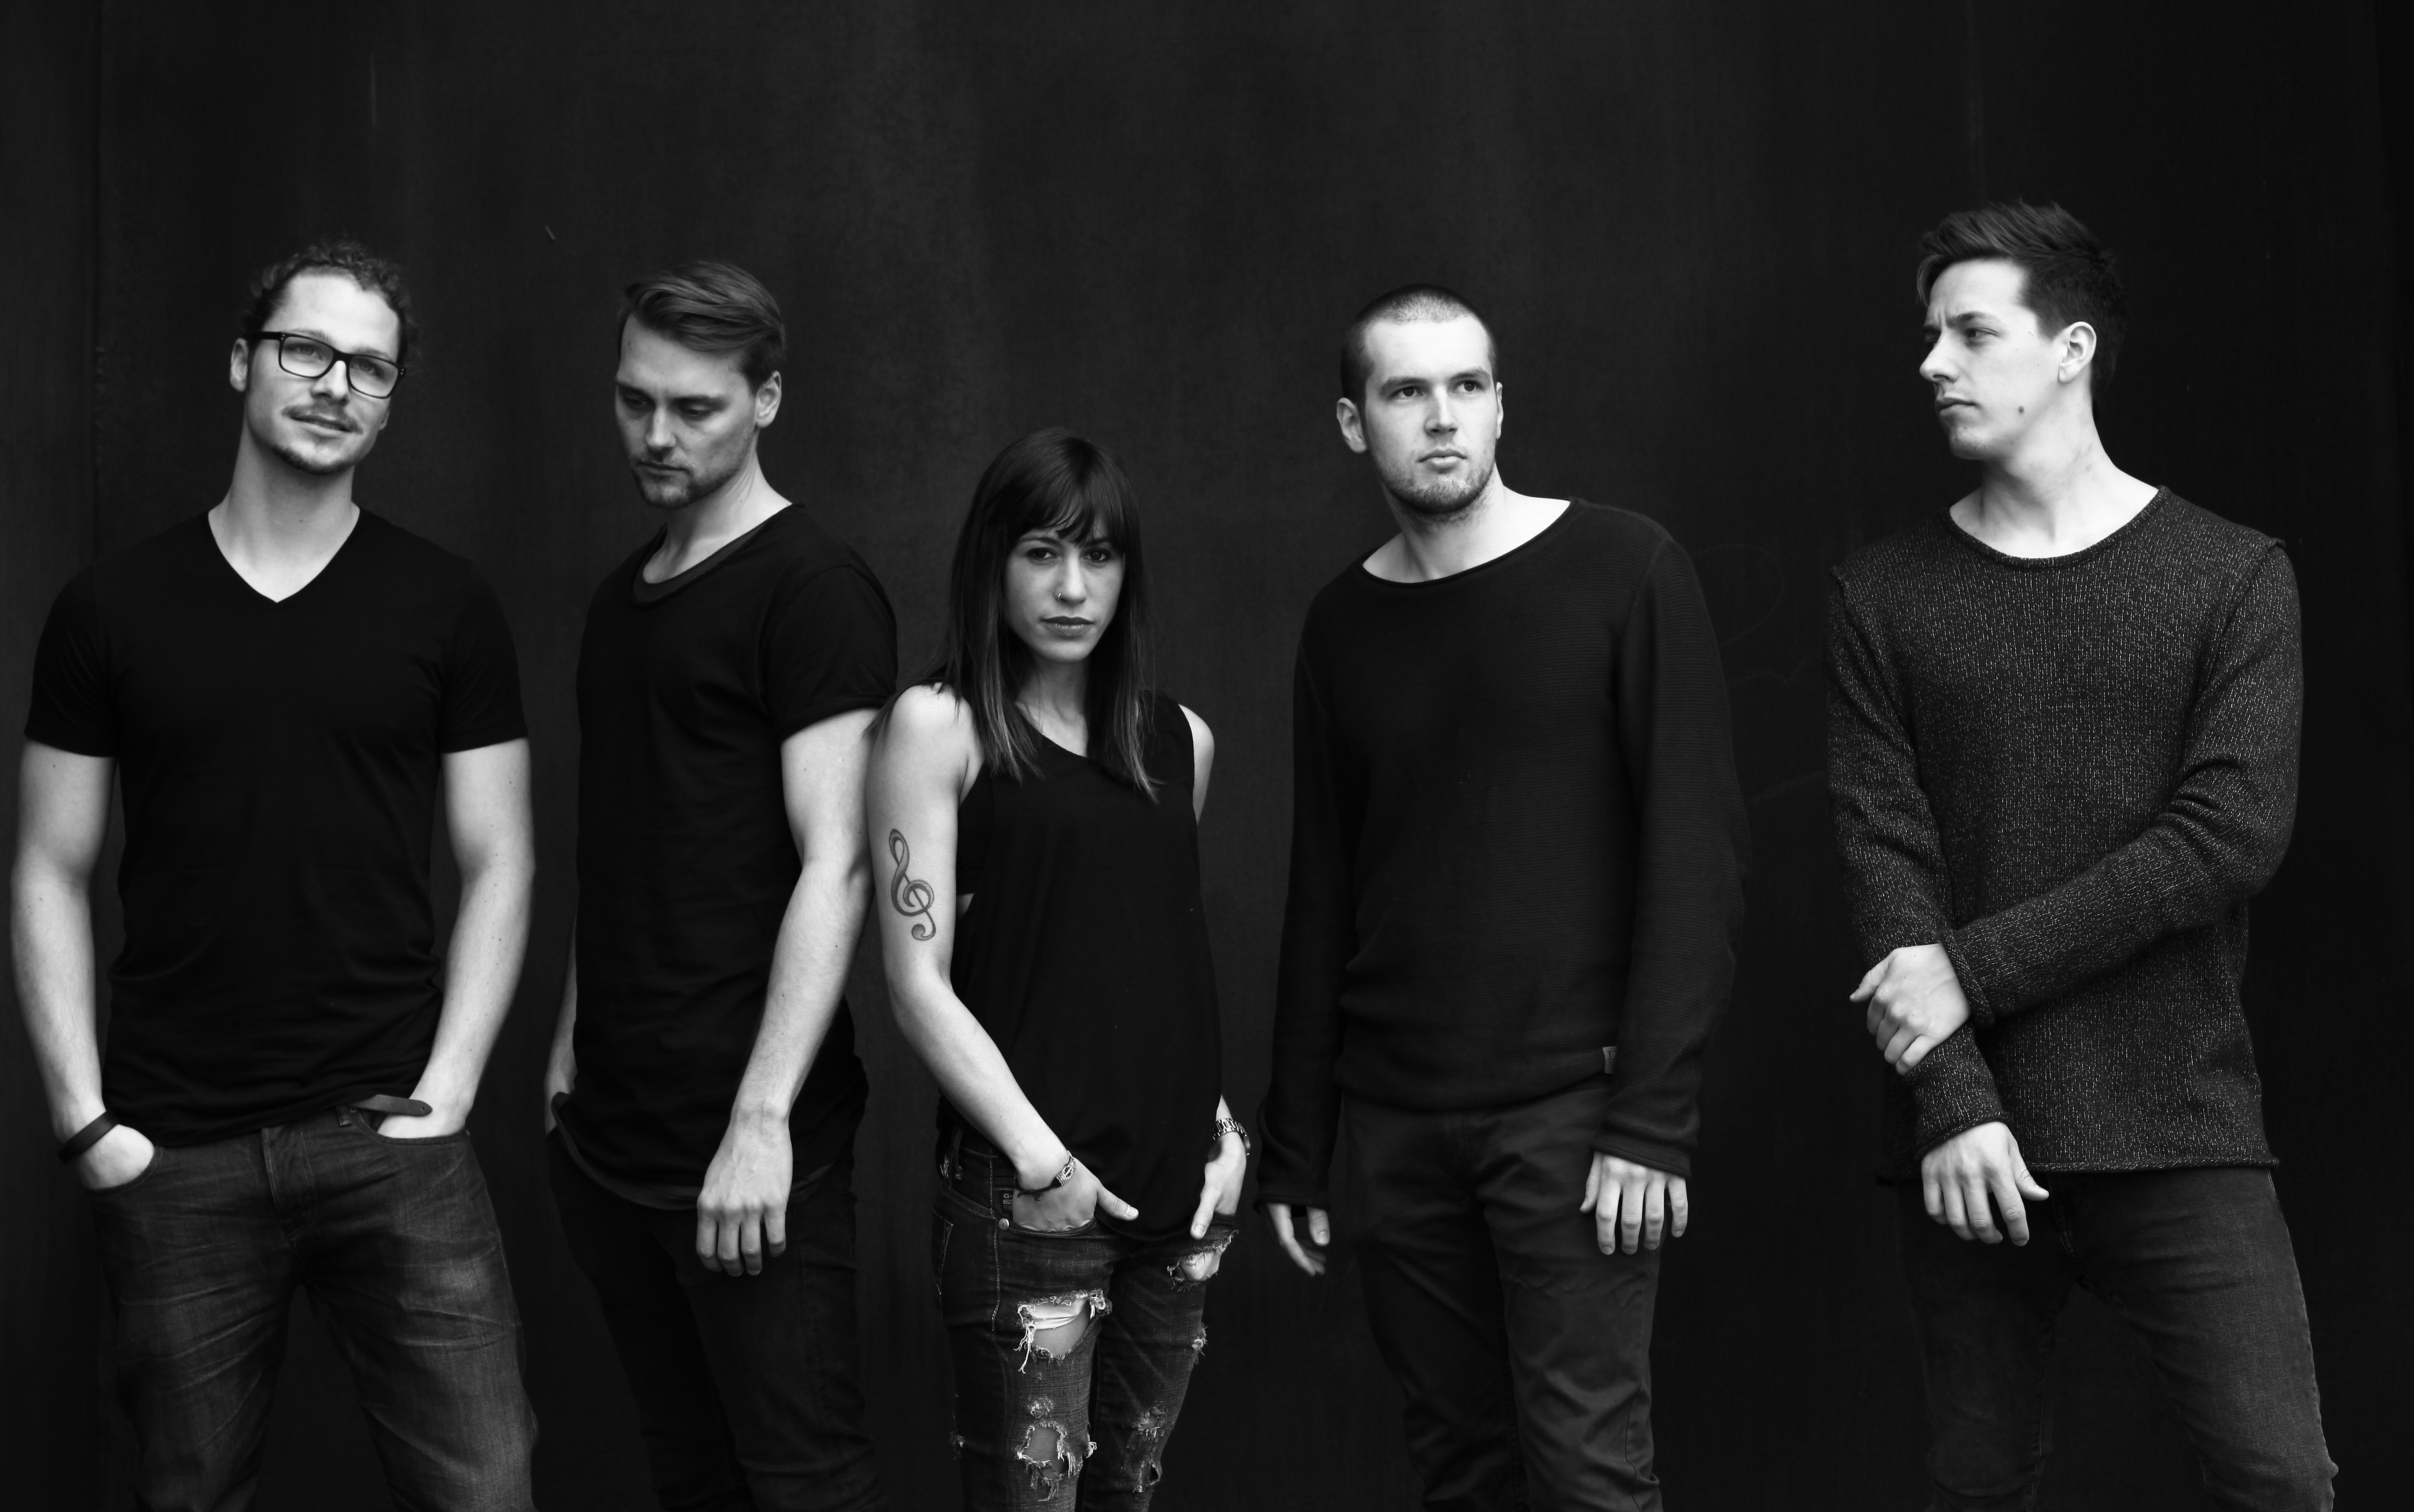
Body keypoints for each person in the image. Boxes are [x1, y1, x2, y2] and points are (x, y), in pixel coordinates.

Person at [11, 239, 540, 1509]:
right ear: (242, 362)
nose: (336, 384)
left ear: (391, 401)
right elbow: (46, 868)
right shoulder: (110, 608)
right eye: (307, 350)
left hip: (390, 1134)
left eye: (370, 367)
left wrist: (451, 1089)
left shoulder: (446, 605)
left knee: (487, 1492)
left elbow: (501, 856)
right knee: (189, 1495)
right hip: (175, 1151)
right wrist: (87, 1122)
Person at [1829, 202, 2333, 1508]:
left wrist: (1970, 974)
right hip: (1969, 1145)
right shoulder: (1883, 594)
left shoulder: (2231, 576)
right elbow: (1885, 859)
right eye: (1930, 336)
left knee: (2281, 1481)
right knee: (1979, 1485)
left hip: (2178, 1118)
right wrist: (1954, 1102)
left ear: (2071, 349)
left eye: (1971, 333)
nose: (1933, 364)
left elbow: (2226, 841)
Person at [1257, 286, 1749, 1510]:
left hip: (1572, 1119)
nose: (1442, 418)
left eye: (1466, 387)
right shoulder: (1341, 624)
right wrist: (1300, 1146)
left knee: (1590, 1476)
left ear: (1499, 407)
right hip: (1397, 1126)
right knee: (1460, 1473)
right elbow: (1324, 887)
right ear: (1352, 422)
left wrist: (1650, 1121)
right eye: (1406, 392)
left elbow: (1697, 861)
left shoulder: (1625, 568)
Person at [542, 261, 893, 1512]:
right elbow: (624, 844)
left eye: (695, 408)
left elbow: (839, 863)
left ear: (767, 401)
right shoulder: (618, 602)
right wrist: (572, 1041)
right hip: (610, 1142)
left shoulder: (813, 589)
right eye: (635, 400)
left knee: (805, 1487)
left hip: (751, 1153)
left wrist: (762, 1123)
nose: (657, 434)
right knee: (689, 1478)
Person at [868, 429, 1244, 1510]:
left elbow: (1150, 957)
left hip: (1179, 1206)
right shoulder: (939, 727)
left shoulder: (1181, 741)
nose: (1073, 588)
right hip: (1032, 1207)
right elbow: (917, 985)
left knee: (1128, 1495)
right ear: (993, 563)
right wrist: (1044, 1164)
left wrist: (1223, 1129)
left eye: (1100, 556)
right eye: (1042, 554)